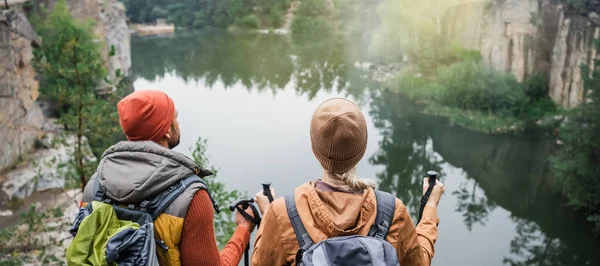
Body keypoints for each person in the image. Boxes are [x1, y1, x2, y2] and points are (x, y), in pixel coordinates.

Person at [251, 98, 445, 266]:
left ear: (314, 148)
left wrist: (269, 214)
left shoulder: (283, 212)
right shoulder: (392, 211)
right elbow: (419, 262)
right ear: (362, 147)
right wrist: (430, 206)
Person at [79, 90, 255, 265]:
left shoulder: (95, 186)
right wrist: (243, 229)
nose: (178, 122)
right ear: (167, 131)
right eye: (175, 118)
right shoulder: (191, 197)